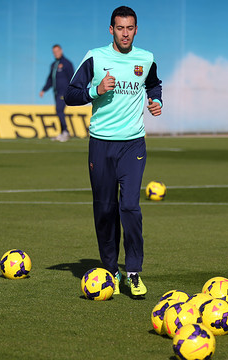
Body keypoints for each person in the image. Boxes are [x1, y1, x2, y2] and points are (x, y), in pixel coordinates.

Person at [65, 6, 162, 297]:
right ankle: (110, 271)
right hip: (101, 144)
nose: (125, 33)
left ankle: (132, 271)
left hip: (133, 144)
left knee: (130, 207)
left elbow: (153, 85)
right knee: (105, 209)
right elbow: (71, 95)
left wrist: (156, 101)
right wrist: (96, 91)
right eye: (120, 28)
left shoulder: (146, 59)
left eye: (130, 28)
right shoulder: (95, 57)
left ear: (136, 29)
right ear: (111, 30)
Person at [40, 44, 74, 142]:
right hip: (56, 92)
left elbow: (72, 78)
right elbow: (50, 79)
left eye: (57, 51)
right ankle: (62, 132)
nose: (56, 53)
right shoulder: (53, 65)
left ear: (61, 51)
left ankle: (66, 132)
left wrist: (71, 90)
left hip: (64, 92)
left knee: (59, 110)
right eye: (54, 52)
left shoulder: (67, 63)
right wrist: (44, 90)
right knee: (59, 112)